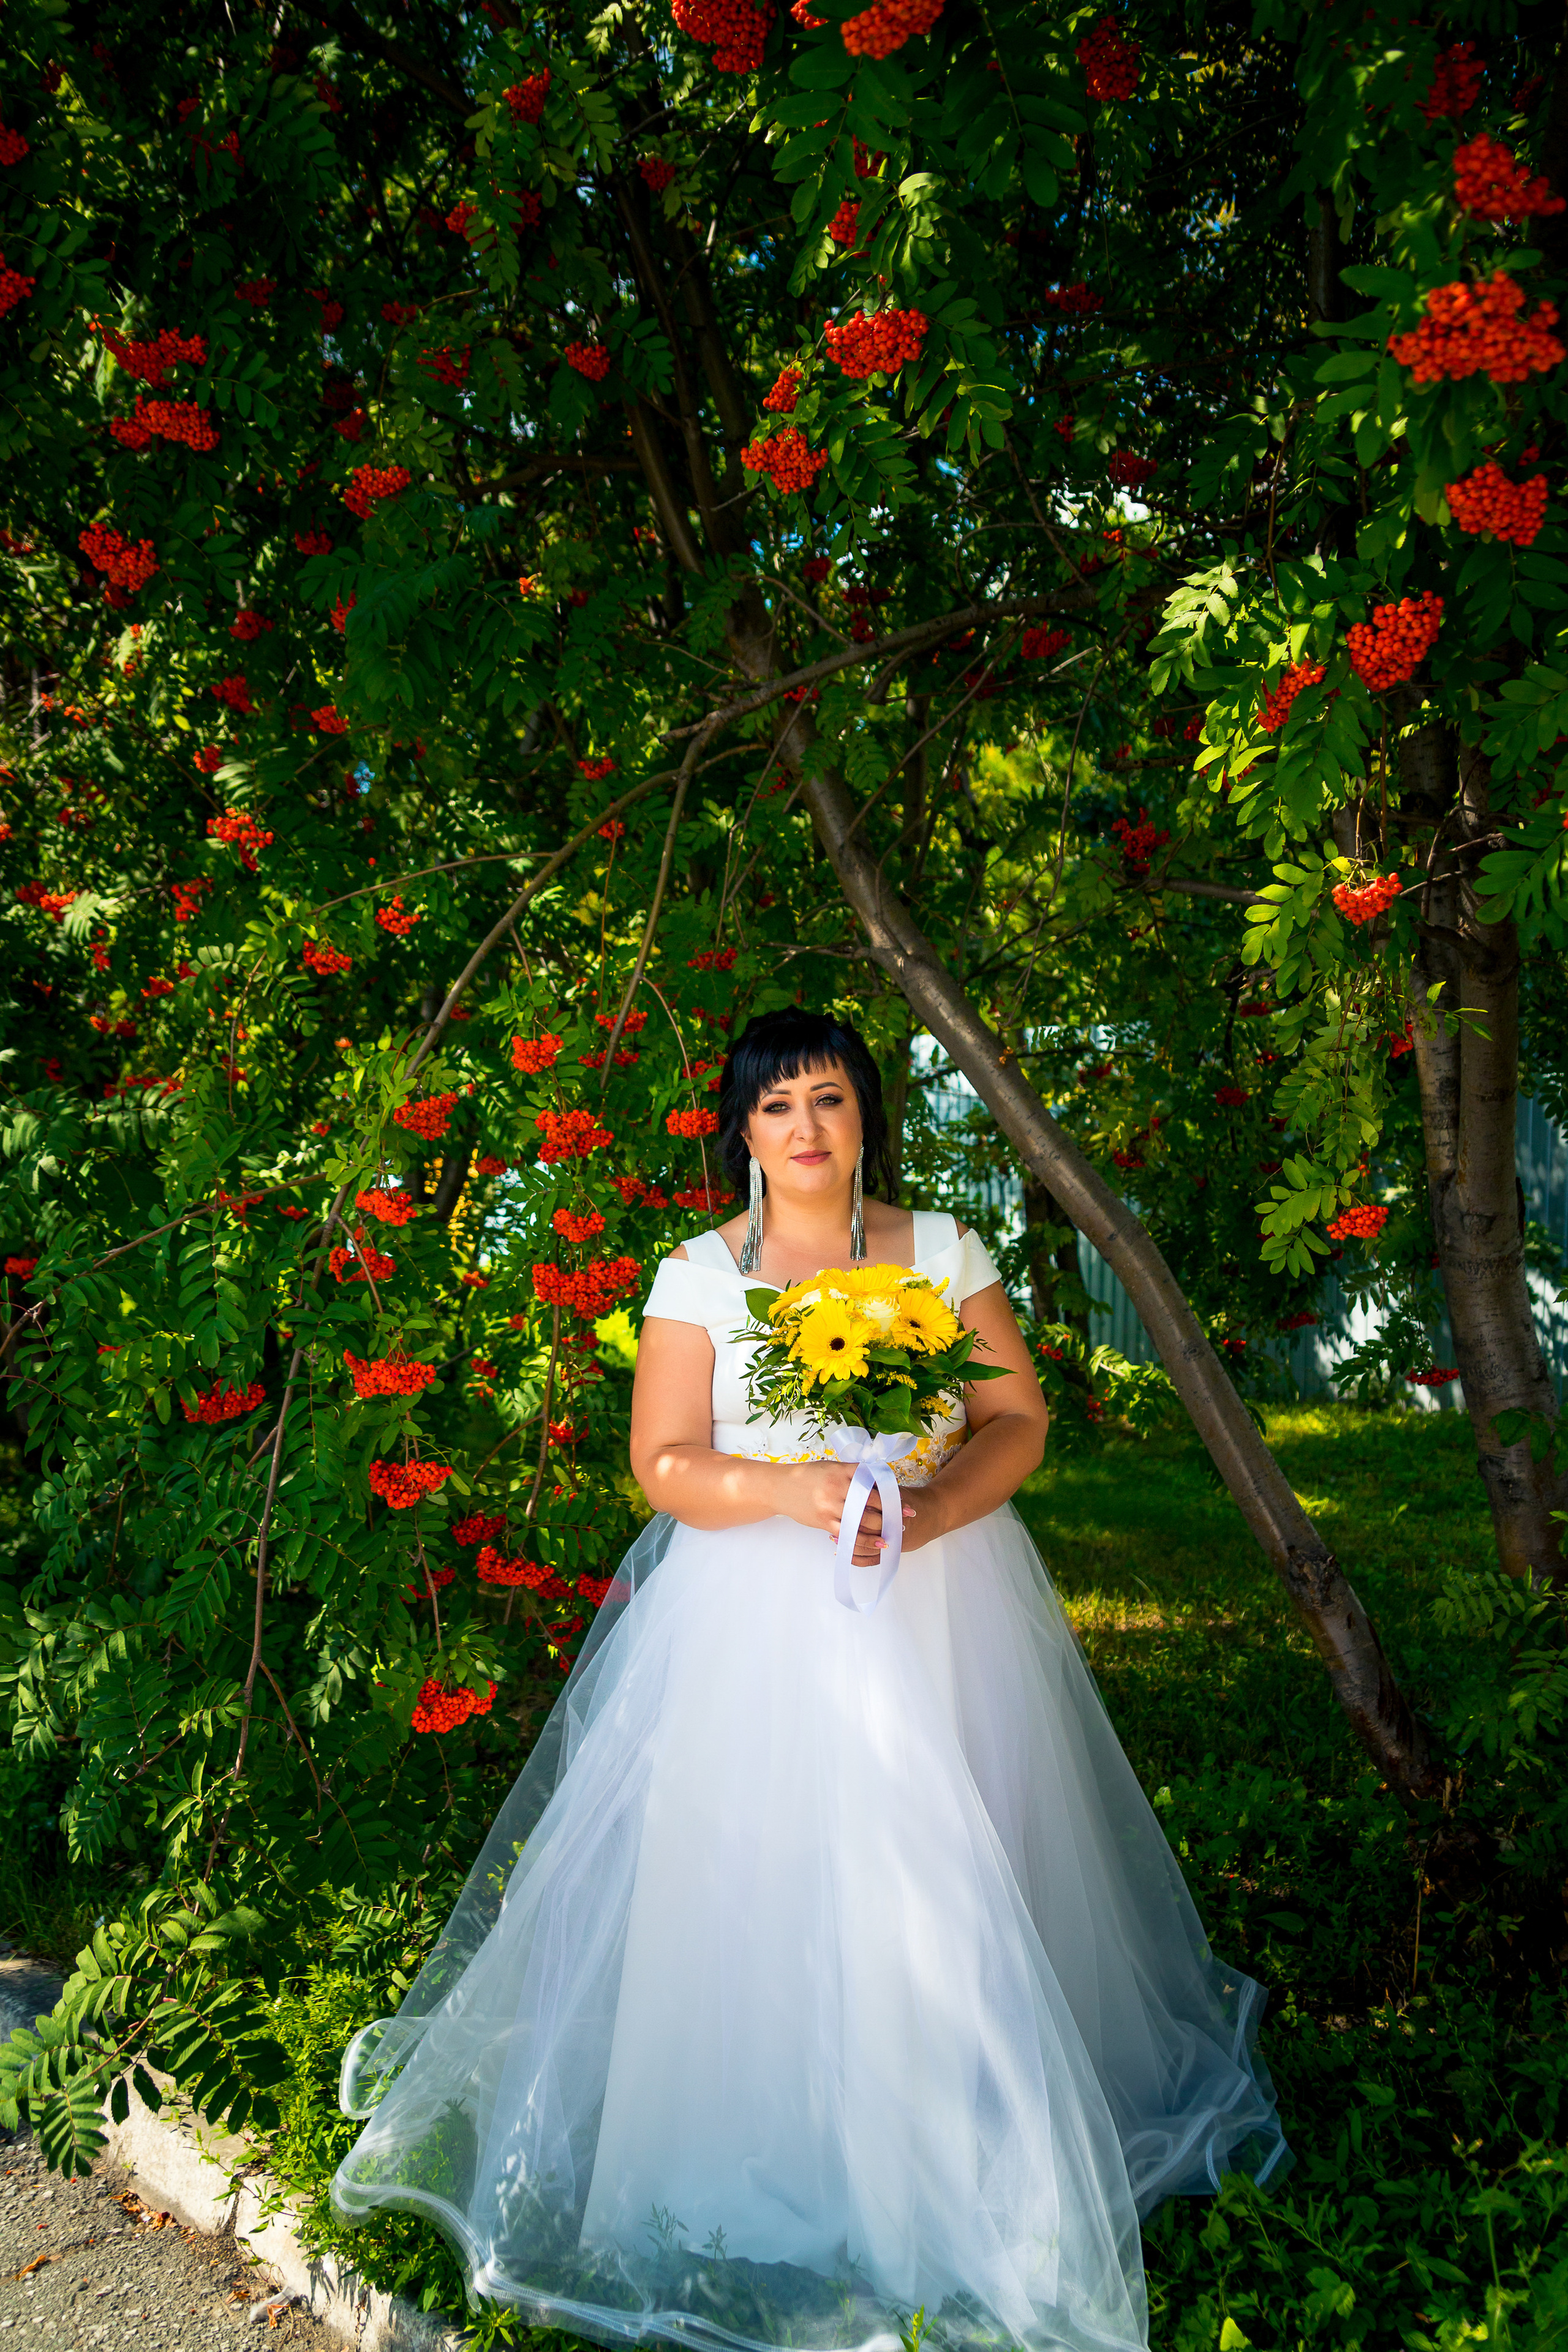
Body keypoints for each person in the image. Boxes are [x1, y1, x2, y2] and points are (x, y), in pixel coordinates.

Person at [331, 1008, 1289, 2352]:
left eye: (828, 1100)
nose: (804, 1130)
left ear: (864, 1114)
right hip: (753, 1613)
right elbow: (661, 1462)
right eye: (775, 1106)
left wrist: (933, 1506)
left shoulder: (942, 1249)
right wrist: (788, 1487)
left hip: (943, 1595)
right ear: (740, 1127)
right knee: (763, 1870)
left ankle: (959, 2163)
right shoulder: (696, 1274)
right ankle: (761, 2153)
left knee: (953, 1860)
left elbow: (1015, 1416)